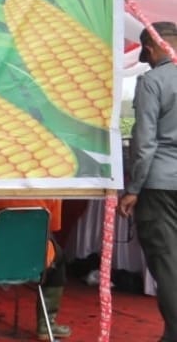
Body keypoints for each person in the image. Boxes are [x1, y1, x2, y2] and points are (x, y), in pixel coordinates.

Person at [120, 21, 177, 342]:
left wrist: (133, 189)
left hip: (160, 184)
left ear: (151, 48)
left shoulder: (153, 81)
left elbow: (144, 142)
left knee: (167, 264)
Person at [0, 199, 68, 339]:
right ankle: (47, 324)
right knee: (58, 255)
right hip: (32, 261)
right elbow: (51, 227)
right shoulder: (51, 192)